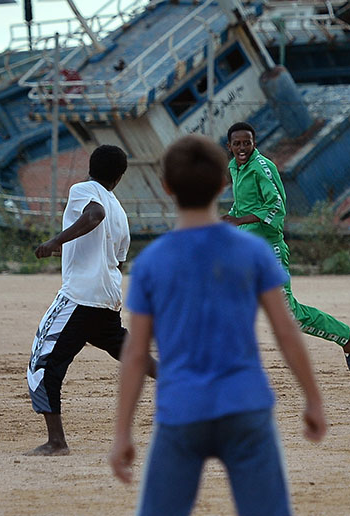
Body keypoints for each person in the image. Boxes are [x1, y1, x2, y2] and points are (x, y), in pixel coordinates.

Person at [110, 135, 326, 516]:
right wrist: (312, 398)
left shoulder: (151, 263)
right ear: (225, 184)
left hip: (181, 412)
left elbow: (136, 353)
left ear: (166, 187)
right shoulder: (252, 251)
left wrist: (123, 431)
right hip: (245, 407)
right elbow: (286, 330)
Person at [26, 144, 156, 456]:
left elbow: (94, 214)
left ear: (90, 166)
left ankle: (56, 442)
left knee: (43, 362)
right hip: (108, 296)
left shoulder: (83, 189)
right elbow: (119, 260)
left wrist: (56, 241)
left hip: (80, 294)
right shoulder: (121, 213)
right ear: (120, 177)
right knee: (131, 353)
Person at [222, 122, 350, 371]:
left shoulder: (261, 168)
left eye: (247, 143)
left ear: (255, 144)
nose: (242, 148)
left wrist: (239, 220)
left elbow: (276, 206)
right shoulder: (235, 167)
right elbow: (243, 206)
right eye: (237, 144)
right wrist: (229, 218)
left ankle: (346, 337)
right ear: (229, 146)